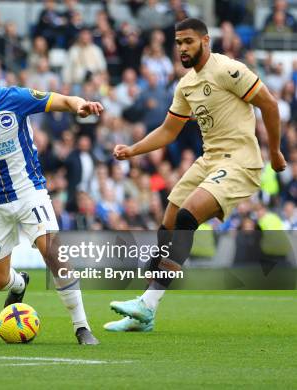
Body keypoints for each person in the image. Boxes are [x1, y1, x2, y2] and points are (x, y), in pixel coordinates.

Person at [105, 18, 287, 332]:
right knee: (169, 221)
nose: (182, 48)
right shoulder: (186, 85)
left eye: (188, 41)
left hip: (239, 160)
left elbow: (269, 104)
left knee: (188, 217)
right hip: (209, 160)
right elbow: (168, 131)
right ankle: (145, 312)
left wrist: (274, 152)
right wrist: (132, 150)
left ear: (205, 40)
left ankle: (147, 303)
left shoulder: (228, 69)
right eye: (178, 43)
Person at [0, 58, 104, 345]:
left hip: (29, 193)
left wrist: (80, 105)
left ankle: (82, 327)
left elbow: (63, 100)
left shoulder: (15, 98)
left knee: (54, 254)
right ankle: (19, 283)